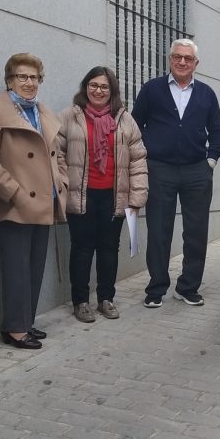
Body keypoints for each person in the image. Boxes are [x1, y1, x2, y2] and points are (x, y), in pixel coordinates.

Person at [0, 53, 68, 349]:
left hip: (45, 202)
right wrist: (14, 192)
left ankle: (25, 321)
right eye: (22, 77)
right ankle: (15, 328)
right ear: (9, 81)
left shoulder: (43, 111)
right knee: (16, 269)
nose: (29, 83)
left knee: (34, 267)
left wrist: (61, 183)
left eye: (34, 78)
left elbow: (57, 155)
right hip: (15, 204)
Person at [132, 38, 220, 308]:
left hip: (197, 170)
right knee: (159, 230)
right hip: (160, 169)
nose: (182, 62)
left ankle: (188, 286)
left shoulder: (207, 93)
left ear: (196, 63)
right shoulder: (152, 89)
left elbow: (217, 131)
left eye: (188, 58)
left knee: (196, 231)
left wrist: (211, 160)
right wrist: (146, 158)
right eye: (177, 57)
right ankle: (156, 288)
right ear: (170, 59)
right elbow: (135, 126)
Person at [58, 67, 148, 324]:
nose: (98, 90)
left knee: (109, 248)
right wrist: (64, 182)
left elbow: (138, 159)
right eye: (93, 85)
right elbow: (57, 153)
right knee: (82, 248)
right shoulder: (69, 117)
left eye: (104, 87)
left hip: (113, 195)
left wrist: (137, 197)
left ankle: (106, 298)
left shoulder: (124, 120)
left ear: (113, 91)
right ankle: (81, 302)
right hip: (81, 194)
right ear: (85, 86)